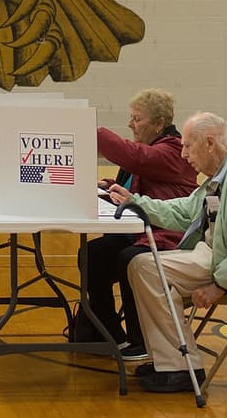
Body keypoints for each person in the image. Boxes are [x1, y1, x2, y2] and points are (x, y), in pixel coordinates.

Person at [106, 111, 227, 393]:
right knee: (140, 264)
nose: (183, 154)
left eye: (188, 146)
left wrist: (220, 286)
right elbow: (184, 211)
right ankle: (169, 361)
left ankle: (182, 366)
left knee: (146, 266)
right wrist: (136, 202)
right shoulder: (219, 176)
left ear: (210, 143)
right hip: (215, 256)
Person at [80, 88, 197, 362]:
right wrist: (109, 187)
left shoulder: (172, 151)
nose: (130, 124)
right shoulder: (153, 148)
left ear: (158, 123)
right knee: (93, 254)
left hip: (167, 234)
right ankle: (107, 332)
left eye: (137, 119)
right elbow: (138, 179)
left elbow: (135, 158)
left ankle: (140, 339)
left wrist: (90, 129)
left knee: (128, 259)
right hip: (142, 230)